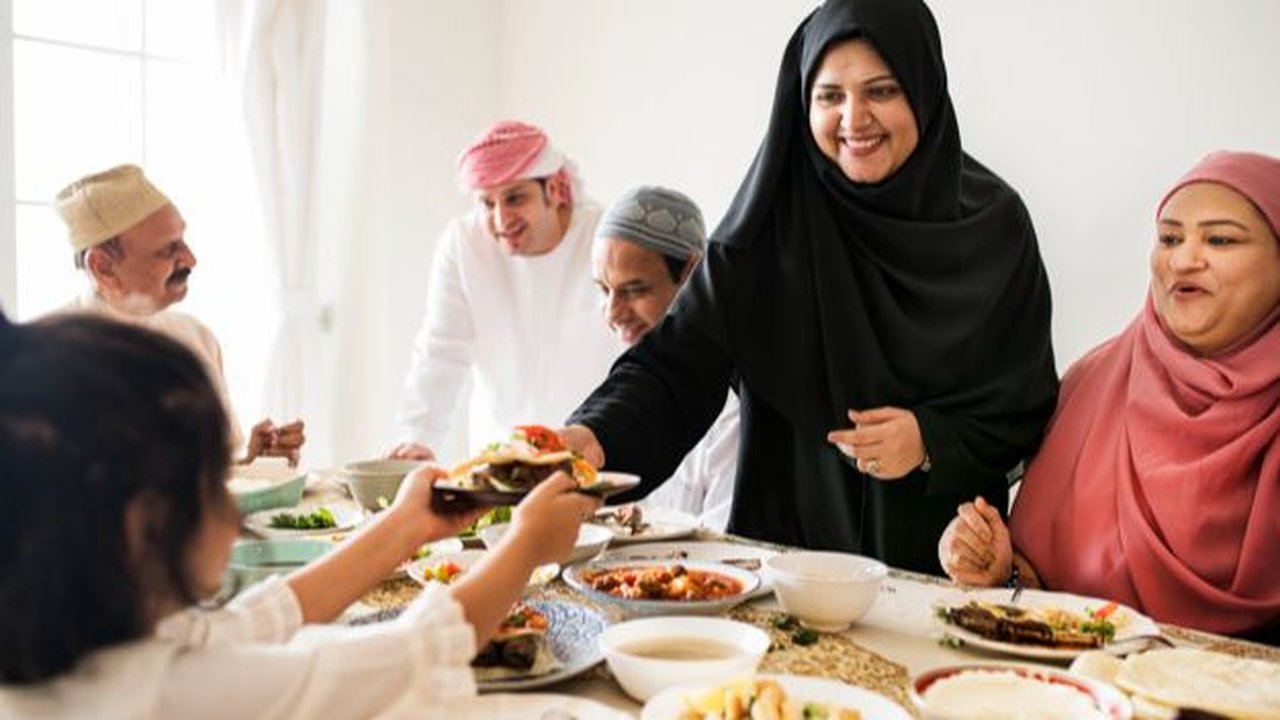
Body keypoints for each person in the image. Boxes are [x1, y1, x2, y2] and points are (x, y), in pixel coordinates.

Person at [561, 0, 1057, 575]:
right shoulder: (766, 228)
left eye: (881, 91)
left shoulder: (994, 228)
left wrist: (930, 441)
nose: (854, 118)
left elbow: (1024, 403)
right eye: (830, 96)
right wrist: (595, 437)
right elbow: (675, 367)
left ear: (923, 89)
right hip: (788, 565)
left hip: (940, 565)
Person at [0, 309, 601, 717]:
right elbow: (415, 651)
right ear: (143, 524)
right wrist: (525, 545)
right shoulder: (169, 695)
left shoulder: (91, 655)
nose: (235, 514)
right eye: (216, 483)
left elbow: (252, 620)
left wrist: (406, 525)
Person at [939, 150, 1280, 641]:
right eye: (1170, 238)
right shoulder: (1093, 386)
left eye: (1220, 239)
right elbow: (1043, 586)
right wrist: (995, 568)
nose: (1184, 259)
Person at [389, 120, 621, 461]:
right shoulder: (462, 244)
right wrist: (418, 435)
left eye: (515, 198)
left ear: (554, 189)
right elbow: (440, 351)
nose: (501, 220)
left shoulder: (606, 239)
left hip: (597, 455)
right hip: (498, 459)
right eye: (487, 204)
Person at [52, 164, 304, 465]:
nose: (191, 259)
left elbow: (213, 472)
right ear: (102, 267)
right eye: (168, 249)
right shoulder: (49, 359)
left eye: (183, 240)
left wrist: (255, 461)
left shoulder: (196, 337)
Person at [592, 186, 738, 530]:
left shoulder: (734, 409)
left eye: (635, 290)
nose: (613, 313)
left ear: (693, 275)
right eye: (603, 289)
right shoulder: (618, 387)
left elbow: (728, 544)